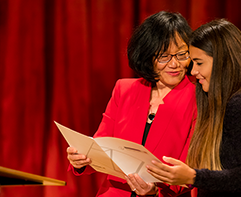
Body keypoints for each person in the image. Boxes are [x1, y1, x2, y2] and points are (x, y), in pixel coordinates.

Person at [66, 11, 197, 197]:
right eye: (164, 56)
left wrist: (154, 192)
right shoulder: (124, 89)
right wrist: (80, 159)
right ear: (148, 55)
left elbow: (191, 167)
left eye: (182, 54)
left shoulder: (198, 96)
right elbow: (99, 146)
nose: (174, 64)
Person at [147, 19, 241, 197]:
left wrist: (194, 176)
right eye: (192, 63)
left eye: (199, 63)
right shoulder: (216, 102)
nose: (193, 71)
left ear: (224, 62)